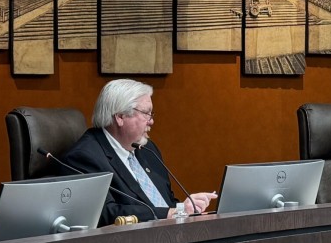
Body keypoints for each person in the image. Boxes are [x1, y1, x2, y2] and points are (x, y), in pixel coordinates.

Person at [61, 79, 217, 226]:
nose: (151, 121)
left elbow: (166, 203)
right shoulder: (84, 157)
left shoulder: (147, 150)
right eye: (146, 113)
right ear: (120, 117)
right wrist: (172, 213)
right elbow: (106, 213)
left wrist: (187, 210)